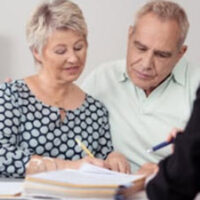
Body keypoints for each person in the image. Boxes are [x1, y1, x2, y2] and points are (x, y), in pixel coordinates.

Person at [0, 0, 130, 178]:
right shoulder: (11, 96)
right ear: (36, 52)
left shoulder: (95, 111)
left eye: (79, 47)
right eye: (61, 51)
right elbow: (2, 156)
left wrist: (113, 158)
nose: (73, 59)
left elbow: (100, 167)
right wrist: (69, 166)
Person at [81, 0, 200, 172]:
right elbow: (74, 141)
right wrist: (107, 157)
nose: (146, 64)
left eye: (161, 55)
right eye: (141, 48)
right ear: (130, 36)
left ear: (180, 54)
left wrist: (166, 173)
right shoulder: (101, 79)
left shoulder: (196, 87)